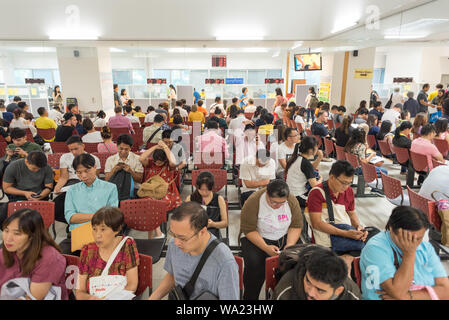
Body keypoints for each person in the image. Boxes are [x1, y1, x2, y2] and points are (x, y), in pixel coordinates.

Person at [149, 202, 239, 300]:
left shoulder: (224, 262)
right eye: (173, 234)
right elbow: (172, 275)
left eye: (182, 238)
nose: (176, 242)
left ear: (202, 232)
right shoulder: (174, 244)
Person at [361, 206, 449, 300]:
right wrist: (409, 254)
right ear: (392, 229)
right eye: (408, 238)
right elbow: (397, 291)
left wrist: (408, 297)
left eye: (419, 238)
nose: (414, 243)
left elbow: (446, 291)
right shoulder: (375, 248)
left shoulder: (425, 247)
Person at [240, 179, 303, 300]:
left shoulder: (291, 200)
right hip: (257, 237)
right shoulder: (254, 201)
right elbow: (249, 229)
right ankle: (250, 297)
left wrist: (289, 245)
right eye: (274, 202)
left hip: (284, 236)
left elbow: (296, 225)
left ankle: (286, 294)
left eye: (282, 203)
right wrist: (265, 247)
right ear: (267, 195)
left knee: (297, 262)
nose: (278, 206)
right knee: (255, 266)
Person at [306, 161, 368, 273]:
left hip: (345, 237)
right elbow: (317, 223)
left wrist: (359, 227)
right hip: (326, 243)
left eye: (349, 183)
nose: (346, 187)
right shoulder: (317, 193)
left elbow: (352, 213)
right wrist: (345, 233)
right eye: (343, 182)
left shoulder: (348, 191)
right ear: (332, 177)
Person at [0, 209, 68, 300]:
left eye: (17, 233)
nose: (8, 238)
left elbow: (32, 298)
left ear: (32, 236)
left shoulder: (49, 257)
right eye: (6, 230)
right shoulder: (5, 252)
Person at [75, 207, 139, 300]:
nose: (98, 235)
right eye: (94, 229)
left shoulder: (126, 245)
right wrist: (90, 298)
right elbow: (80, 292)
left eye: (103, 229)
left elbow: (132, 284)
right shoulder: (87, 250)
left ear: (117, 230)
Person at [62, 153, 119, 253]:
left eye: (87, 171)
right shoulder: (72, 190)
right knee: (59, 256)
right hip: (77, 235)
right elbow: (70, 218)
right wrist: (97, 215)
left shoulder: (110, 188)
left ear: (95, 167)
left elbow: (111, 217)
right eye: (79, 172)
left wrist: (82, 217)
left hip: (102, 234)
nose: (83, 176)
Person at [273, 244, 361, 300]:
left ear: (338, 290)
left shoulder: (352, 295)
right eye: (308, 281)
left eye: (320, 290)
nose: (310, 293)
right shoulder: (286, 290)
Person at [53, 135, 101, 217]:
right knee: (57, 204)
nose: (74, 152)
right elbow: (64, 177)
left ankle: (80, 218)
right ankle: (71, 220)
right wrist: (58, 187)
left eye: (76, 149)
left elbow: (96, 178)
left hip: (87, 183)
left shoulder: (93, 159)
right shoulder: (65, 157)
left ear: (83, 146)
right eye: (71, 150)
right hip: (71, 183)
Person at [139, 145, 182, 236]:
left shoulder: (169, 165)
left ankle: (154, 234)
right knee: (149, 202)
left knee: (158, 203)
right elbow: (141, 158)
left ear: (165, 160)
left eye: (160, 162)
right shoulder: (151, 163)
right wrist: (155, 147)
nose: (157, 164)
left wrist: (165, 147)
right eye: (156, 162)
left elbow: (174, 162)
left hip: (166, 192)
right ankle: (158, 233)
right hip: (151, 191)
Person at [185, 171, 228, 239]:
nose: (204, 192)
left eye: (207, 190)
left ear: (212, 187)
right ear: (197, 187)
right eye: (201, 190)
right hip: (195, 234)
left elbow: (225, 223)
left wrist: (213, 224)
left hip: (213, 235)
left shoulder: (219, 199)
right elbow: (185, 220)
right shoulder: (190, 199)